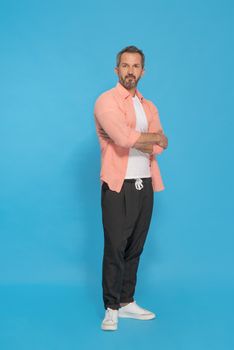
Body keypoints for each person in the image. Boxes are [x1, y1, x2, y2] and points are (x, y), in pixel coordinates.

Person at [93, 45, 168, 331]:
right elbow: (123, 138)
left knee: (135, 245)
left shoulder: (148, 106)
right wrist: (148, 138)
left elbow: (159, 147)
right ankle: (111, 308)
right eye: (125, 65)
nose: (130, 71)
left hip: (145, 182)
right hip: (117, 185)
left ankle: (126, 301)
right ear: (117, 70)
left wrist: (144, 138)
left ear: (142, 71)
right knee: (115, 247)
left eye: (135, 66)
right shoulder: (106, 101)